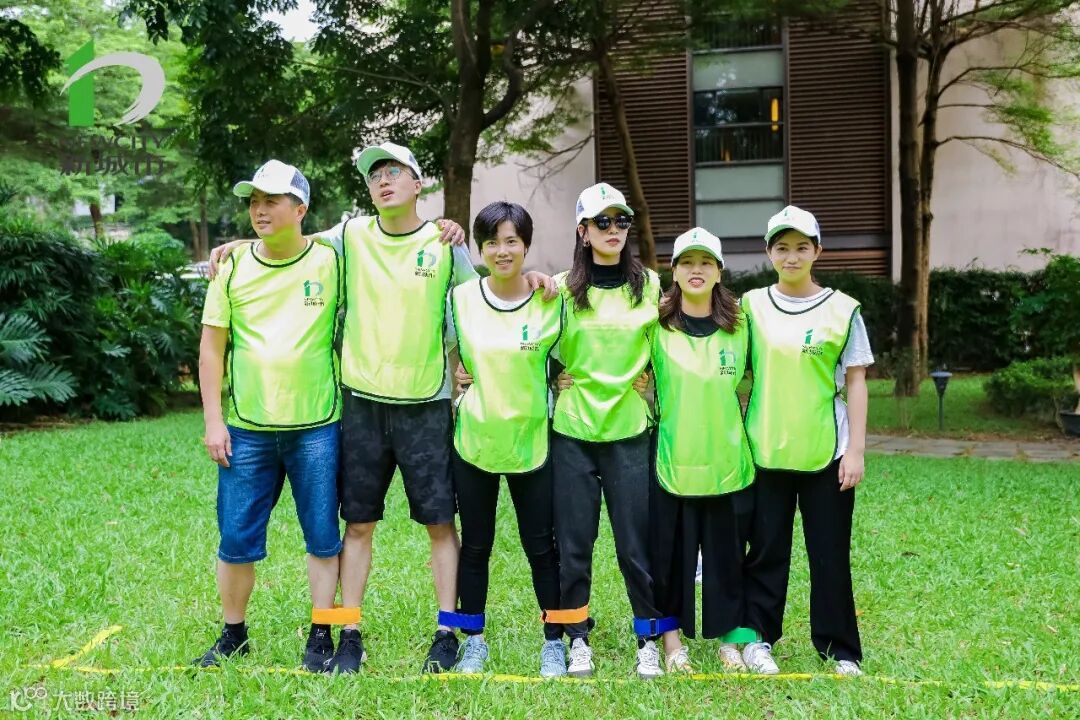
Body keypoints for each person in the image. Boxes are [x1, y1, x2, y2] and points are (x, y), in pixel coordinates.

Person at [209, 143, 555, 674]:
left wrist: (532, 279)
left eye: (395, 172)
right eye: (375, 175)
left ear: (418, 184)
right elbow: (291, 239)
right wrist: (238, 243)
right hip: (362, 406)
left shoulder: (444, 243)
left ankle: (447, 631)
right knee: (358, 525)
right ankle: (349, 632)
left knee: (440, 525)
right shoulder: (349, 236)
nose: (384, 181)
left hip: (426, 407)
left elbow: (489, 293)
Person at [195, 160, 343, 673]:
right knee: (236, 539)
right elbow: (211, 348)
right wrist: (213, 421)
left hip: (317, 426)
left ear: (300, 209)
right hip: (247, 429)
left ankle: (321, 632)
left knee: (322, 535)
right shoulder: (233, 267)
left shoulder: (331, 261)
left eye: (272, 201)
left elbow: (378, 239)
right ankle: (233, 634)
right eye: (254, 202)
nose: (259, 210)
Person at [739, 205, 871, 677]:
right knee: (765, 552)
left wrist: (856, 450)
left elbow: (856, 380)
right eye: (782, 247)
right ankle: (757, 639)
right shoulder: (751, 305)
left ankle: (840, 649)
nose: (791, 256)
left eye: (801, 247)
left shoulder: (843, 309)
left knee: (829, 554)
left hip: (827, 452)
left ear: (817, 251)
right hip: (765, 450)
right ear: (768, 252)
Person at [550, 183, 674, 679]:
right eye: (602, 222)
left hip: (628, 432)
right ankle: (578, 638)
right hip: (573, 431)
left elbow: (669, 348)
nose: (613, 230)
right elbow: (532, 345)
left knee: (636, 545)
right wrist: (549, 376)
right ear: (582, 231)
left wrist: (652, 385)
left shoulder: (651, 285)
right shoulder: (560, 288)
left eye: (621, 221)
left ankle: (647, 639)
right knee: (574, 545)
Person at [447, 201, 566, 676]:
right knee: (475, 546)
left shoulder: (549, 300)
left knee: (542, 548)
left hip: (531, 442)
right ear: (480, 248)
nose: (502, 251)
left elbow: (571, 355)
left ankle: (554, 641)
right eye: (492, 242)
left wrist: (563, 379)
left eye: (512, 241)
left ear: (526, 246)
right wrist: (454, 377)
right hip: (475, 440)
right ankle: (472, 640)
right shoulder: (461, 298)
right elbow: (438, 349)